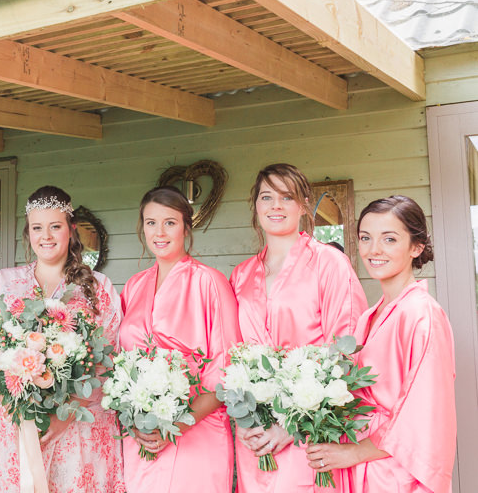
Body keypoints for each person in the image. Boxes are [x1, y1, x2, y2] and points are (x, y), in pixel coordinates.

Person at [0, 185, 125, 493]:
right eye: (37, 228)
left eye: (55, 226)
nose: (46, 236)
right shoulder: (4, 283)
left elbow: (110, 360)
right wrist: (19, 407)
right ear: (28, 232)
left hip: (78, 426)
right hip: (16, 425)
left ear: (71, 230)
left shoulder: (98, 287)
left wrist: (66, 414)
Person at [230, 163, 367, 493]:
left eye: (287, 197)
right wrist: (242, 418)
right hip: (254, 435)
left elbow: (346, 352)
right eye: (267, 197)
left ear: (303, 205)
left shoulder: (329, 263)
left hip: (308, 432)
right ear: (255, 205)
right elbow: (233, 354)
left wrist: (290, 427)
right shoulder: (241, 275)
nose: (275, 205)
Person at [306, 196, 456, 492]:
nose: (374, 250)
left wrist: (354, 453)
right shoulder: (367, 317)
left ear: (416, 247)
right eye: (366, 238)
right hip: (358, 461)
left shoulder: (422, 314)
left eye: (389, 239)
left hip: (394, 470)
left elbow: (424, 412)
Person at [119, 186, 241, 491]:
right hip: (142, 438)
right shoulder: (134, 286)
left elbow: (226, 370)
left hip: (197, 434)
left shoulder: (209, 282)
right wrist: (135, 419)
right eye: (151, 222)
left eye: (170, 222)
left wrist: (176, 425)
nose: (159, 232)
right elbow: (120, 365)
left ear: (186, 227)